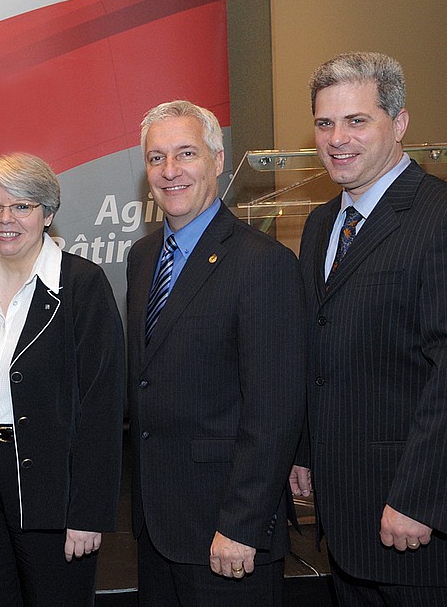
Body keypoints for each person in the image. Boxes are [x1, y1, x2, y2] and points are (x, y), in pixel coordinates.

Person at [289, 52, 447, 606]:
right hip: (346, 529)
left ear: (400, 123)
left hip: (424, 533)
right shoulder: (320, 225)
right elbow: (322, 351)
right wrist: (306, 450)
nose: (337, 138)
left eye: (356, 120)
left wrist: (421, 499)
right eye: (324, 123)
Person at [0, 152, 125, 606]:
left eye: (22, 206)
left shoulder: (83, 286)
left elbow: (102, 407)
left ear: (48, 214)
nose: (5, 219)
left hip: (51, 487)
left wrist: (88, 512)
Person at [126, 100, 305, 606]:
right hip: (157, 530)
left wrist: (242, 524)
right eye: (156, 158)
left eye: (186, 153)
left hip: (226, 534)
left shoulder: (262, 262)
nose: (169, 171)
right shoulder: (142, 259)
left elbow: (274, 410)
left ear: (218, 159)